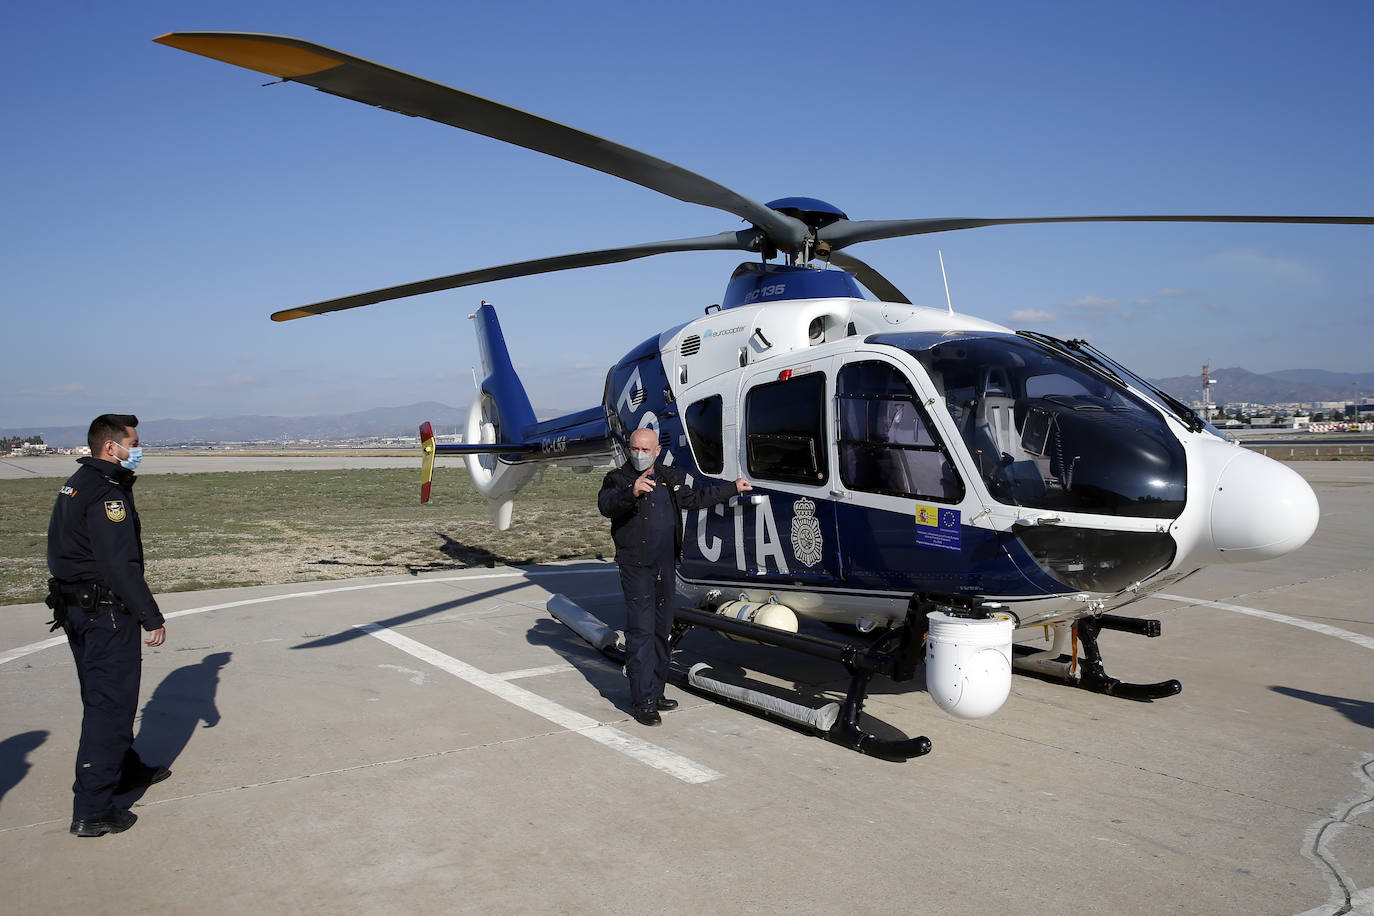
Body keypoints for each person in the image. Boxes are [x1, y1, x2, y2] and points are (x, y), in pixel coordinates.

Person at [47, 414, 169, 836]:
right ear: (110, 447)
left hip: (78, 608)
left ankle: (125, 769)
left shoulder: (78, 481)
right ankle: (93, 809)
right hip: (105, 612)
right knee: (110, 706)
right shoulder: (106, 492)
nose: (138, 450)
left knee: (102, 695)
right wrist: (150, 616)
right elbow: (119, 565)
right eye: (132, 443)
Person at [597, 427, 751, 726]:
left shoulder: (670, 477)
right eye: (634, 449)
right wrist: (632, 491)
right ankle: (642, 702)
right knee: (640, 632)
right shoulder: (618, 479)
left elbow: (695, 499)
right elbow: (606, 506)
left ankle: (656, 692)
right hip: (636, 567)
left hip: (665, 566)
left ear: (656, 452)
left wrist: (733, 487)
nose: (638, 454)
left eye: (645, 450)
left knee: (661, 631)